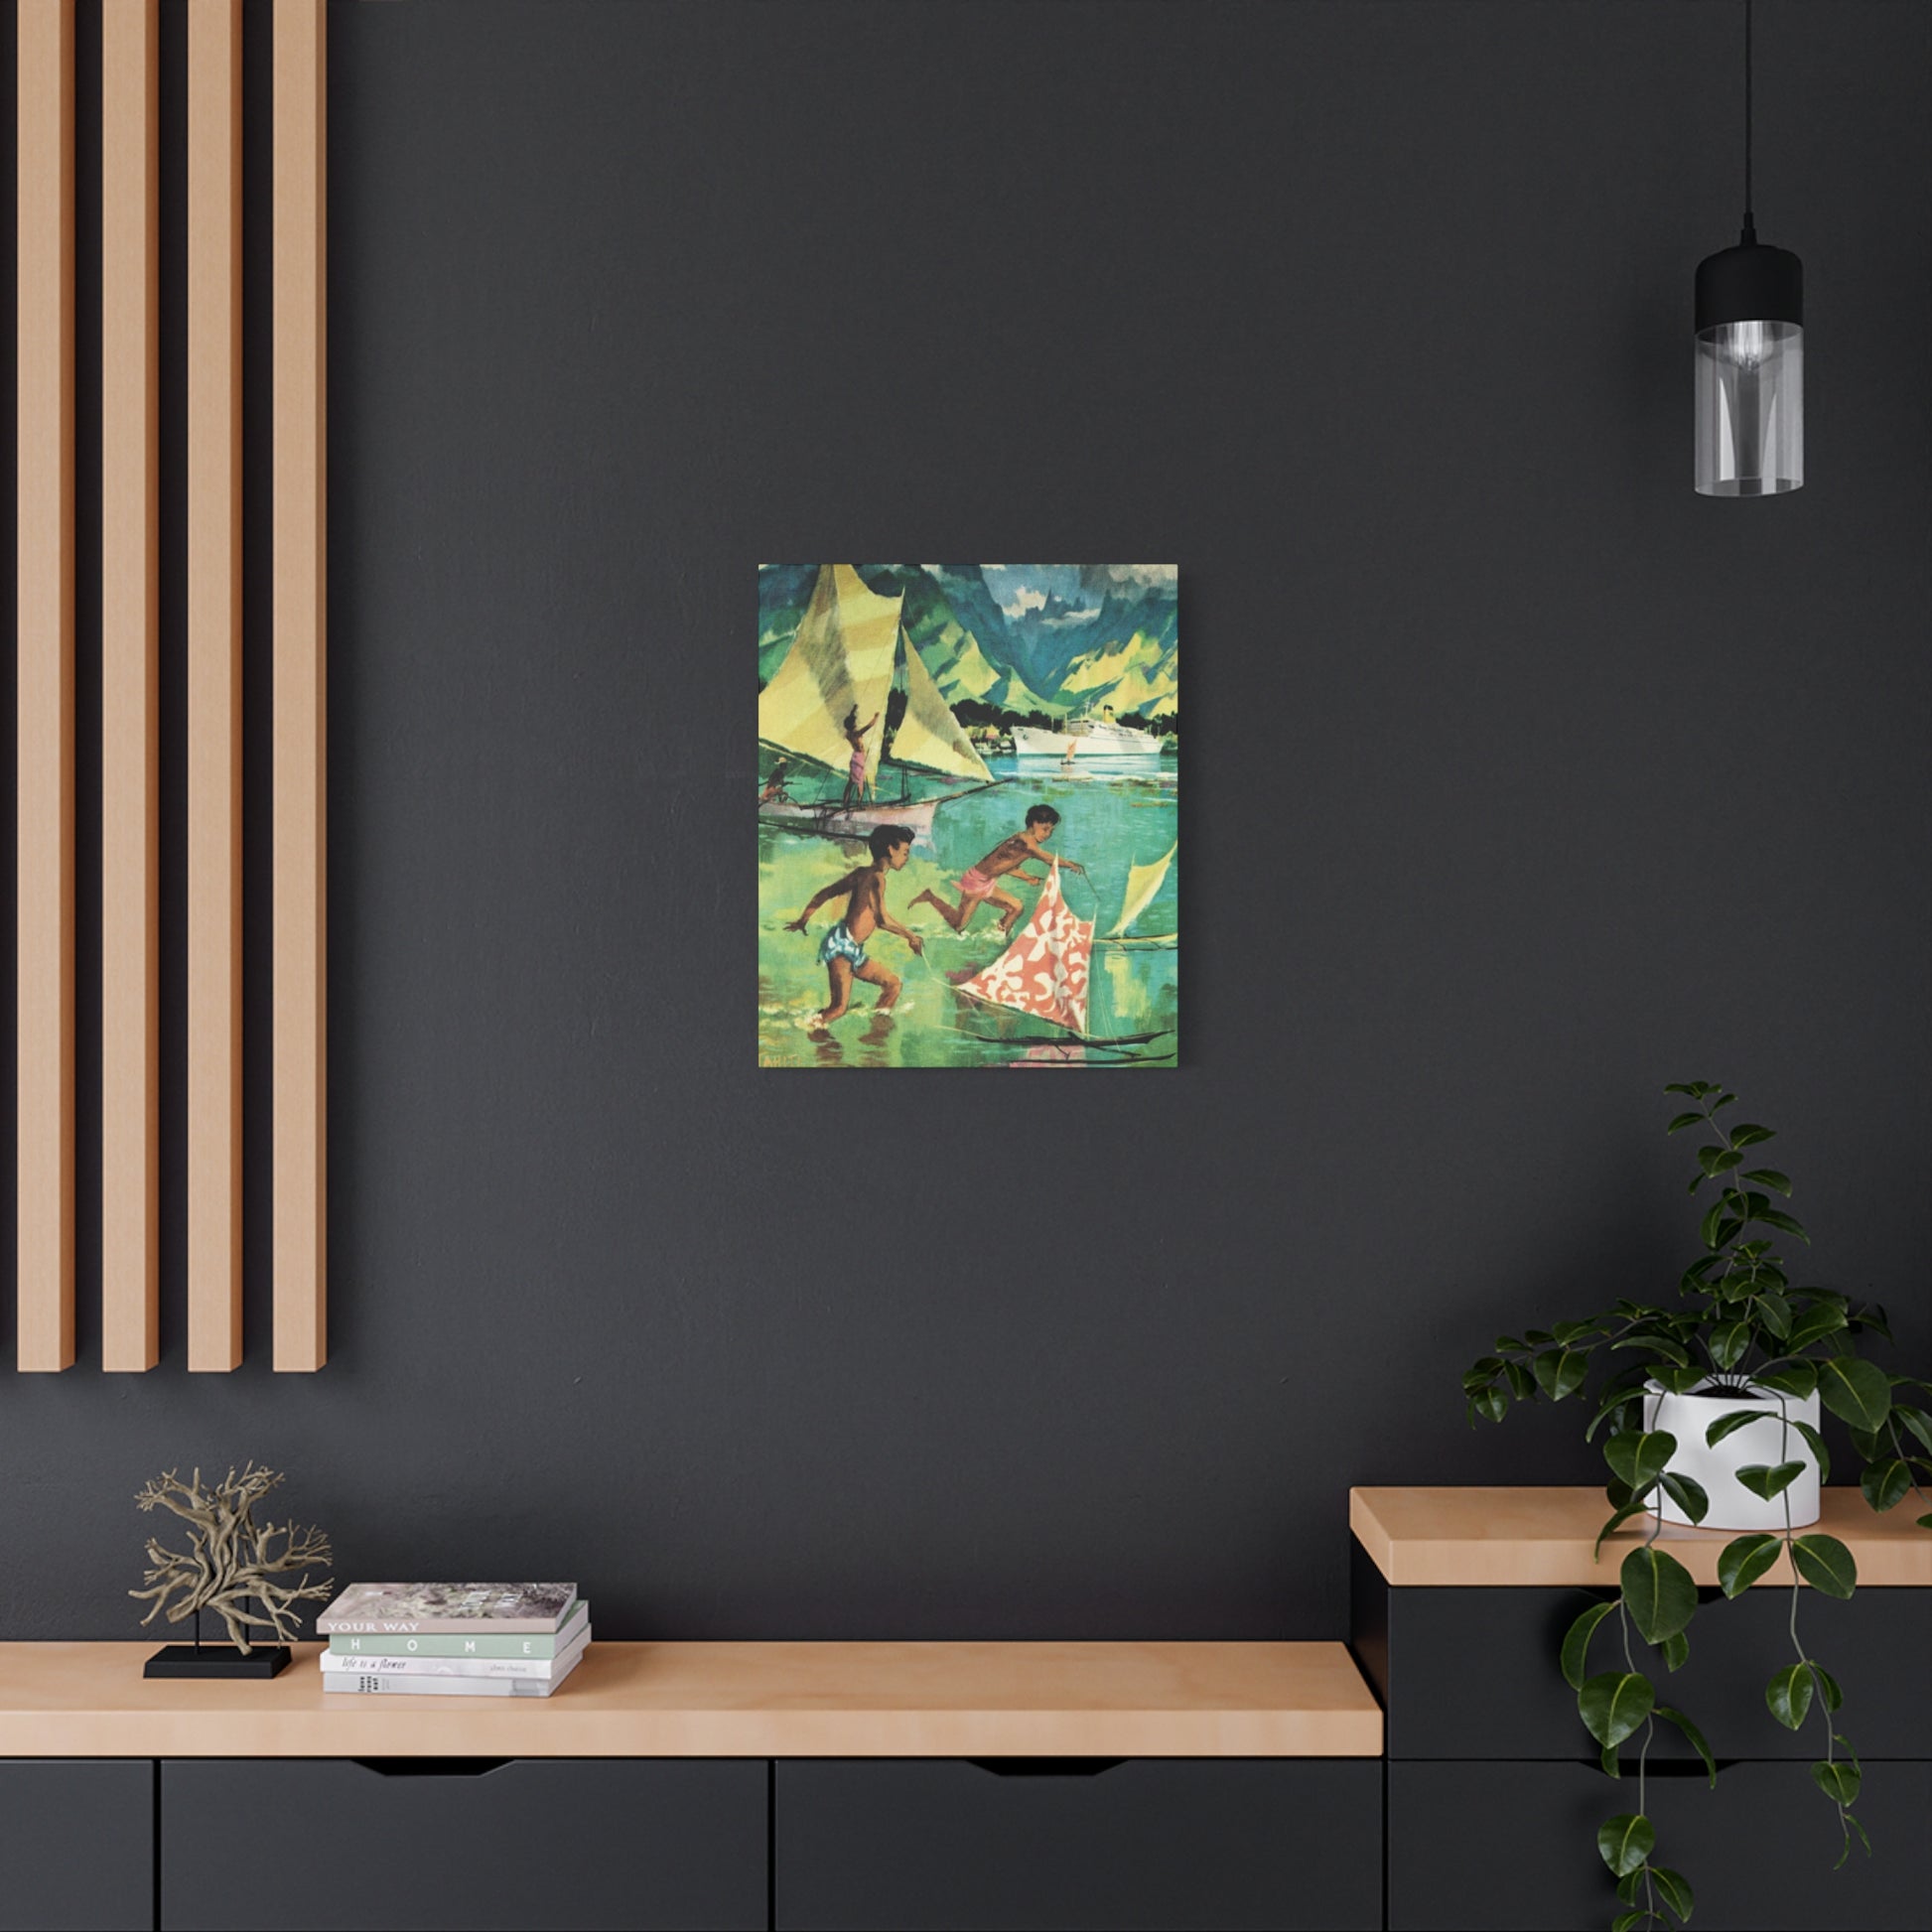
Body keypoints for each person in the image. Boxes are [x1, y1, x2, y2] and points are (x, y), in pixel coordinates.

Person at [785, 824, 924, 1023]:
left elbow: (824, 894)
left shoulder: (862, 873)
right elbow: (882, 919)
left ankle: (877, 1032)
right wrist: (911, 936)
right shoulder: (876, 878)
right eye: (905, 852)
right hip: (842, 947)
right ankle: (809, 1030)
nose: (907, 857)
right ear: (890, 850)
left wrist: (803, 920)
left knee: (893, 985)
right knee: (839, 1009)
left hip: (852, 949)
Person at [911, 803, 1085, 939]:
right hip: (975, 882)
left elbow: (1007, 867)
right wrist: (1071, 865)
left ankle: (999, 935)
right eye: (1045, 829)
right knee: (958, 926)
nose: (1048, 834)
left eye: (1051, 831)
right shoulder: (1027, 842)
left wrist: (1026, 878)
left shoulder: (1022, 841)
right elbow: (1047, 859)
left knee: (1016, 907)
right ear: (1033, 824)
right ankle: (930, 897)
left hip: (986, 882)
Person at [840, 705, 879, 808]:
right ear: (853, 725)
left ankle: (845, 803)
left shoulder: (849, 734)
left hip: (854, 757)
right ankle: (858, 804)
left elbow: (851, 719)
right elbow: (870, 725)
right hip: (860, 758)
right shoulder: (857, 734)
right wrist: (876, 717)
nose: (856, 723)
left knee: (851, 782)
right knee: (860, 782)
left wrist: (853, 710)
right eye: (854, 722)